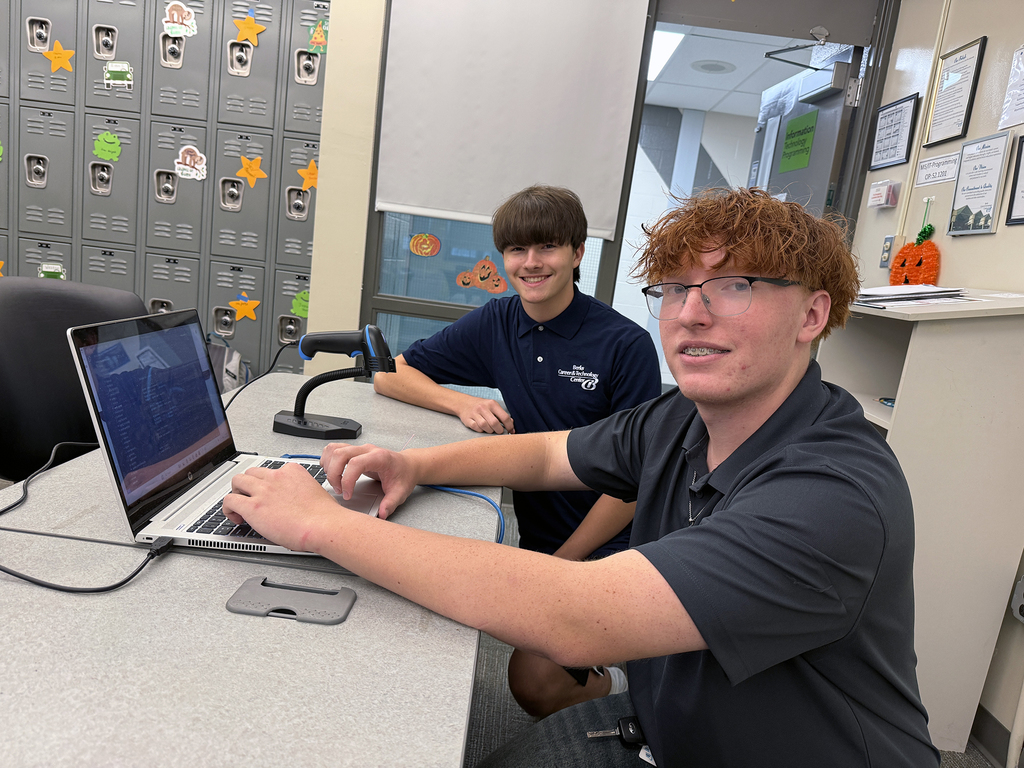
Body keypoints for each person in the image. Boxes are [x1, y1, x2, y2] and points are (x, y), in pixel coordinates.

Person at [223, 188, 940, 767]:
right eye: (677, 288)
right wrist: (412, 463)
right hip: (668, 731)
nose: (692, 312)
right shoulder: (682, 420)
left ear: (813, 314)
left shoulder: (832, 495)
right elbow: (542, 455)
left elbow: (574, 616)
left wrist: (320, 522)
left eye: (735, 285)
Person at [372, 185, 661, 716]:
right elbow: (391, 375)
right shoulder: (500, 322)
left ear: (577, 254)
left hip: (614, 543)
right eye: (516, 251)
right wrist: (459, 403)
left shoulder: (624, 345)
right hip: (540, 538)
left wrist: (560, 567)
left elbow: (638, 484)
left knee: (534, 680)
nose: (530, 263)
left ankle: (628, 690)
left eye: (547, 247)